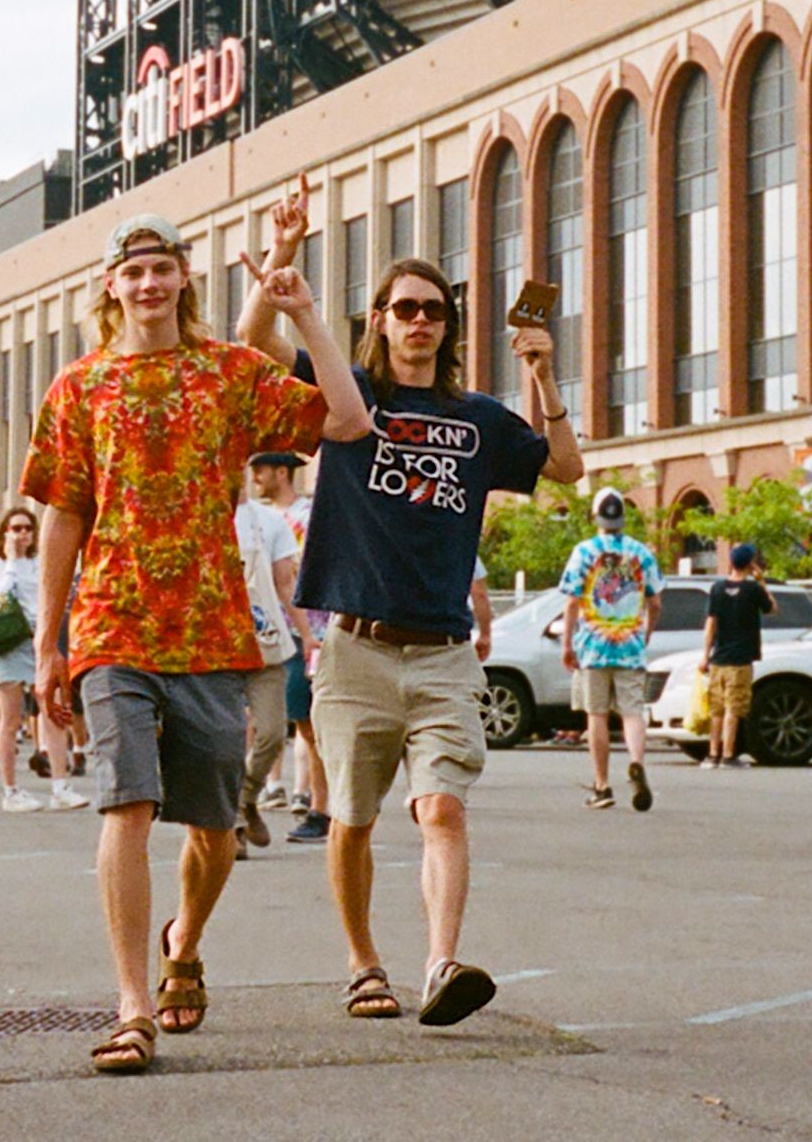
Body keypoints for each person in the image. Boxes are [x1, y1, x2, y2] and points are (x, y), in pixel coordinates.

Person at [26, 213, 364, 1074]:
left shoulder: (228, 372)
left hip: (213, 630)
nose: (146, 284)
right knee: (126, 807)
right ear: (110, 287)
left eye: (161, 268)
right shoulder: (78, 387)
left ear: (184, 279)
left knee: (213, 828)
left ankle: (184, 944)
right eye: (131, 270)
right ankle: (131, 1005)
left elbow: (343, 418)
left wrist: (305, 315)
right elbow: (63, 510)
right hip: (110, 625)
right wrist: (49, 641)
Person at [241, 208, 582, 1026]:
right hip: (356, 649)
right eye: (405, 309)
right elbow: (255, 345)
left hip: (441, 655)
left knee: (443, 807)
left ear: (449, 325)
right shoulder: (349, 392)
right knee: (350, 821)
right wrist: (284, 263)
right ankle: (364, 963)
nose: (420, 322)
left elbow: (566, 469)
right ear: (381, 322)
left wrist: (542, 375)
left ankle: (439, 965)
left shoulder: (479, 419)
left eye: (434, 310)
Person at [247, 451, 334, 845]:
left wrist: (313, 630)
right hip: (261, 629)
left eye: (260, 471)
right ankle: (247, 799)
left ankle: (321, 808)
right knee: (261, 724)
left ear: (282, 472)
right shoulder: (253, 517)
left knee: (308, 725)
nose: (254, 478)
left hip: (307, 630)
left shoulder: (310, 515)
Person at [560, 488, 663, 812]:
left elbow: (572, 601)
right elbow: (656, 602)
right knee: (632, 712)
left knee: (597, 715)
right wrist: (646, 630)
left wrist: (566, 643)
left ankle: (602, 785)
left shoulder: (584, 552)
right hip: (630, 645)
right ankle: (635, 762)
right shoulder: (641, 554)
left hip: (592, 646)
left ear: (596, 517)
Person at [0, 508, 86, 813]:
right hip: (10, 641)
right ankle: (11, 790)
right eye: (15, 528)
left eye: (27, 528)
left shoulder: (40, 561)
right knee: (10, 719)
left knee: (52, 711)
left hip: (38, 640)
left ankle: (60, 785)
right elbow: (2, 595)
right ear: (5, 532)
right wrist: (12, 560)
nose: (22, 534)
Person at [234, 457, 308, 856]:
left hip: (266, 642)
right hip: (216, 647)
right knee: (226, 737)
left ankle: (246, 796)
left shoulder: (267, 522)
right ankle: (234, 829)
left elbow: (285, 584)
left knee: (273, 733)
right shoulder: (200, 518)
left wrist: (308, 635)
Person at [699, 542, 771, 769]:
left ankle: (712, 754)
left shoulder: (717, 589)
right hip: (741, 659)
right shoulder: (752, 590)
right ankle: (729, 755)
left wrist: (705, 655)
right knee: (734, 708)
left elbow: (711, 624)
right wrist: (761, 580)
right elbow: (772, 608)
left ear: (730, 562)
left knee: (717, 710)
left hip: (719, 658)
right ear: (750, 564)